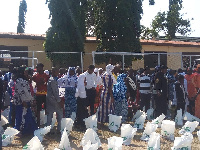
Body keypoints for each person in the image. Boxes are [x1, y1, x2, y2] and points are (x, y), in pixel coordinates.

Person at [13, 66, 37, 134]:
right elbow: (21, 92)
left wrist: (31, 99)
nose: (27, 73)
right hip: (21, 102)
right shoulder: (19, 80)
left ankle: (27, 130)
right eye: (25, 71)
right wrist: (23, 101)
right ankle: (21, 131)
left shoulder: (24, 80)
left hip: (26, 101)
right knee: (21, 117)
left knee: (27, 116)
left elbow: (27, 91)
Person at [46, 67, 63, 133]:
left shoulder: (50, 79)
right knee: (59, 113)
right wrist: (59, 100)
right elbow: (55, 91)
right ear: (53, 72)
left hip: (49, 99)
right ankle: (59, 128)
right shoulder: (53, 80)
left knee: (49, 115)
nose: (58, 73)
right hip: (54, 100)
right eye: (57, 71)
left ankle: (48, 130)